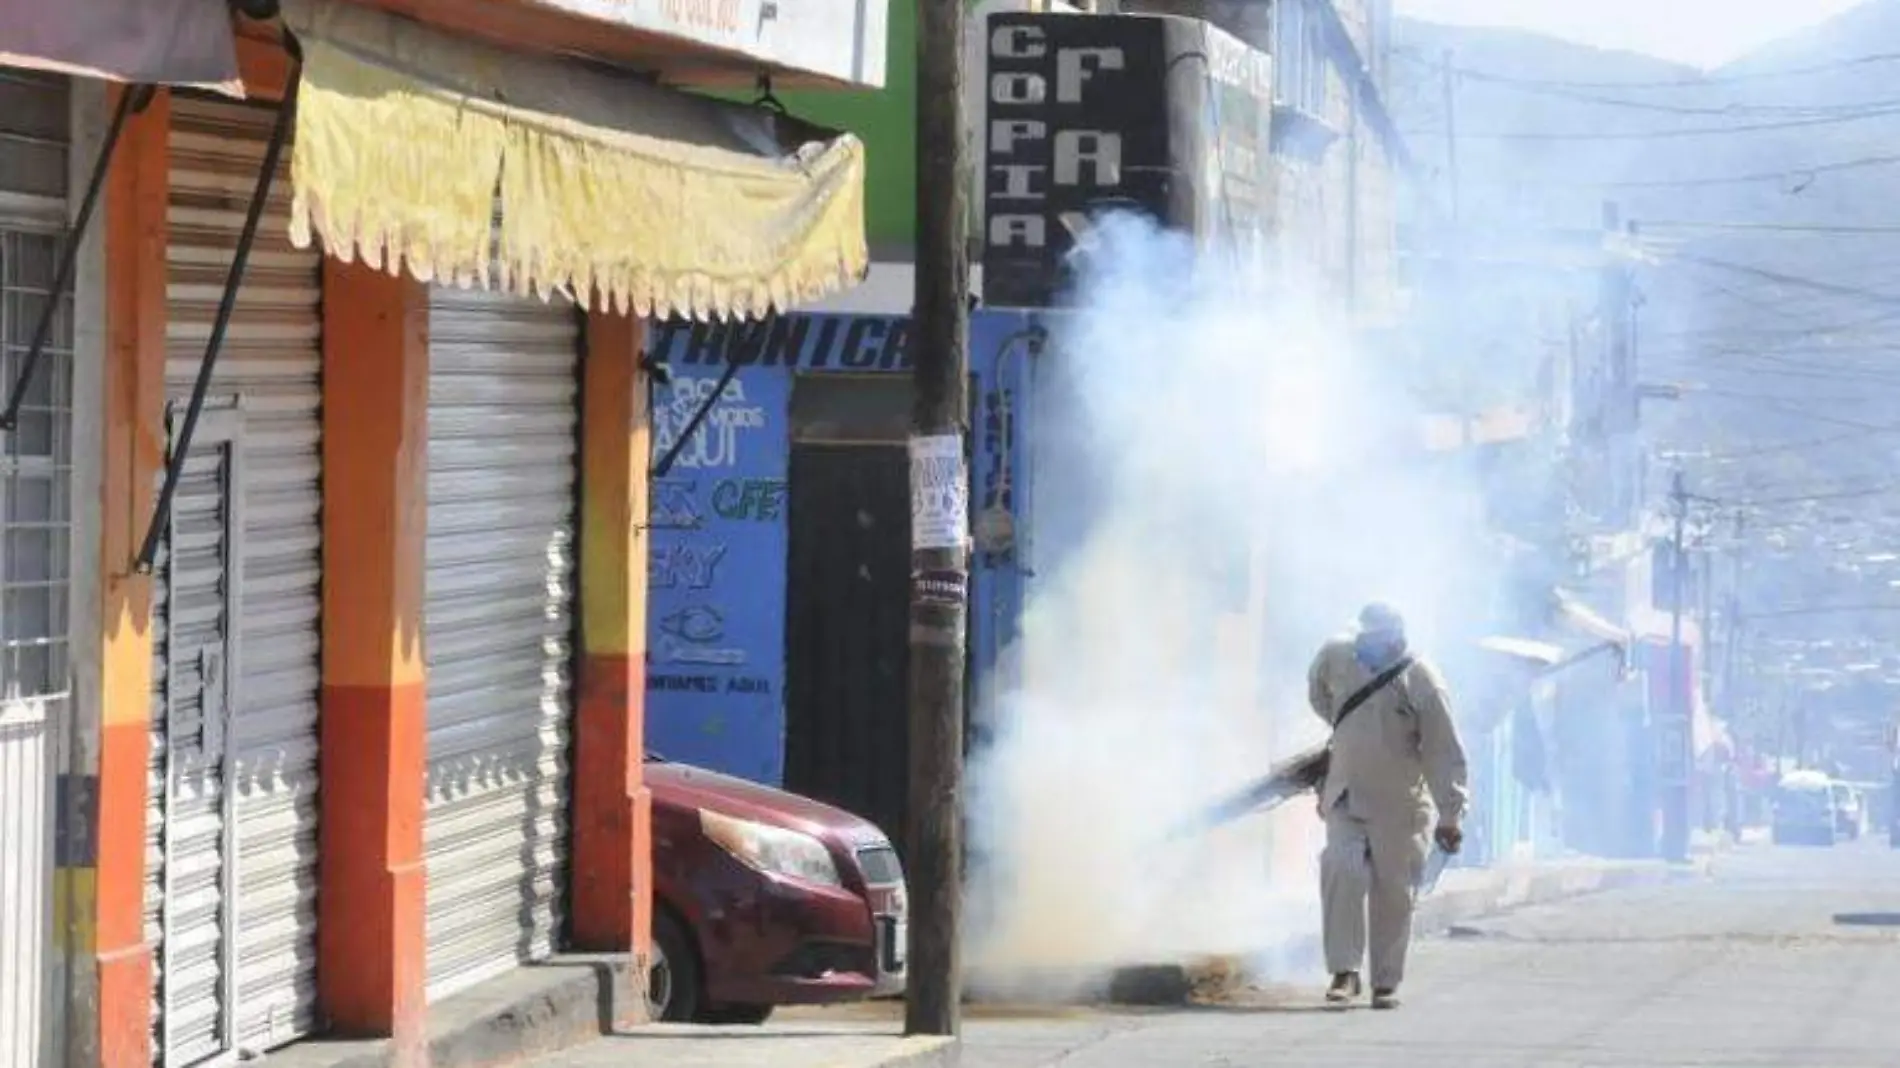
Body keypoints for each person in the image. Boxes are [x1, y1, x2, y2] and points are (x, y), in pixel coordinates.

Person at [1307, 602, 1469, 1010]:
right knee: (1340, 870)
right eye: (1361, 638)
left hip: (1400, 804)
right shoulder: (1337, 656)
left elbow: (1442, 751)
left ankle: (1385, 980)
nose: (1363, 646)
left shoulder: (1423, 680)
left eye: (1372, 640)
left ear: (1394, 640)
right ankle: (1344, 971)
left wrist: (1451, 814)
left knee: (1393, 893)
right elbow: (1319, 695)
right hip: (1345, 793)